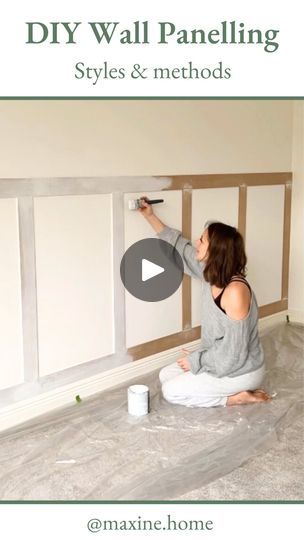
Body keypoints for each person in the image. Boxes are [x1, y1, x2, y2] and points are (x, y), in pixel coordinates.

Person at [138, 197, 271, 408]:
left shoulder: (235, 292)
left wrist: (197, 361)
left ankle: (235, 397)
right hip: (219, 361)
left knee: (171, 391)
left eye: (202, 240)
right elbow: (180, 248)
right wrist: (150, 216)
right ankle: (225, 388)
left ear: (215, 251)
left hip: (241, 370)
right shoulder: (210, 273)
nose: (196, 243)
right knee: (166, 375)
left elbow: (234, 354)